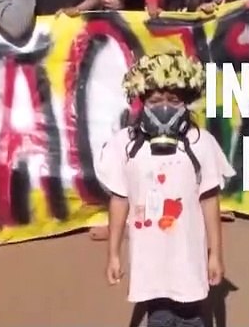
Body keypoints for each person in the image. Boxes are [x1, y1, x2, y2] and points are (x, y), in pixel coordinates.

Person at [98, 52, 230, 327]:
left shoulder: (200, 143)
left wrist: (215, 254)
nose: (164, 108)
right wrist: (113, 254)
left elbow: (209, 200)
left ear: (186, 101)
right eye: (155, 101)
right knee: (158, 315)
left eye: (173, 100)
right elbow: (119, 200)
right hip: (150, 264)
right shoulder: (125, 145)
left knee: (192, 316)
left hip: (187, 260)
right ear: (141, 101)